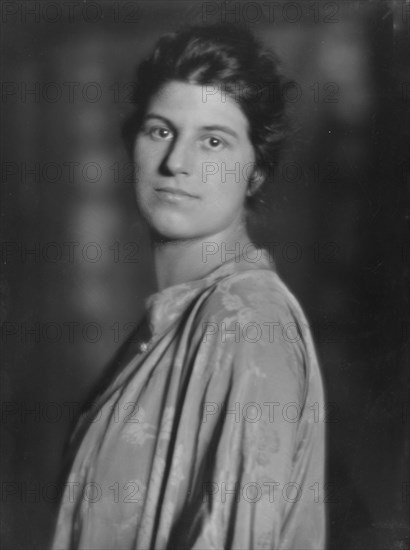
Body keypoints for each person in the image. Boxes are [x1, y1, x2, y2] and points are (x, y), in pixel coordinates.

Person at [52, 23, 326, 550]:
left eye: (214, 141)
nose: (177, 163)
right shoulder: (178, 320)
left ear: (256, 173)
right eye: (160, 130)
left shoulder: (247, 324)